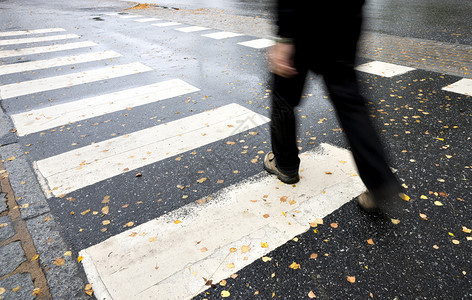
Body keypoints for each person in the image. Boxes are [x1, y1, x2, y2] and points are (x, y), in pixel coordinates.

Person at [263, 0, 402, 212]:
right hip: (346, 17)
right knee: (349, 102)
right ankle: (379, 182)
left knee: (283, 92)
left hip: (305, 17)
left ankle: (285, 164)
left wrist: (285, 36)